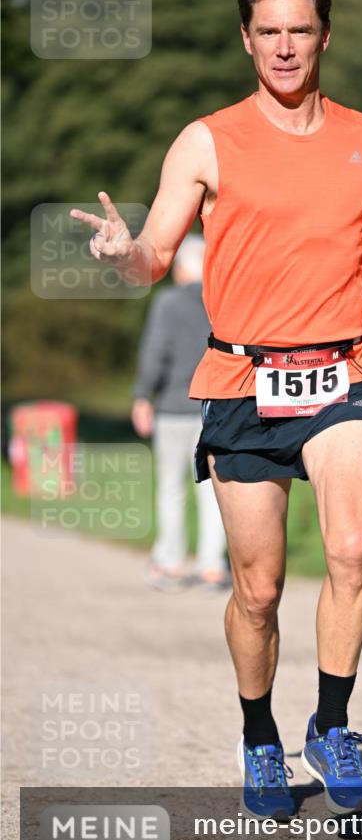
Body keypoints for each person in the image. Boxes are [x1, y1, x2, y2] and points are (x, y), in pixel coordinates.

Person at [70, 0, 362, 819]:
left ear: (325, 35)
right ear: (245, 39)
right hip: (242, 379)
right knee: (257, 590)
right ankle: (260, 735)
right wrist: (122, 255)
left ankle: (331, 727)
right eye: (268, 32)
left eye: (300, 29)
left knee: (350, 551)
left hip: (343, 370)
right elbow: (154, 257)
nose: (284, 47)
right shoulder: (205, 141)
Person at [131, 234, 230, 592]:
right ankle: (211, 567)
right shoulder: (223, 300)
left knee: (171, 488)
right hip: (215, 409)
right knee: (213, 491)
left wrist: (143, 396)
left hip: (173, 408)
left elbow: (155, 352)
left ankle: (170, 564)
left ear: (182, 269)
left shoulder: (168, 303)